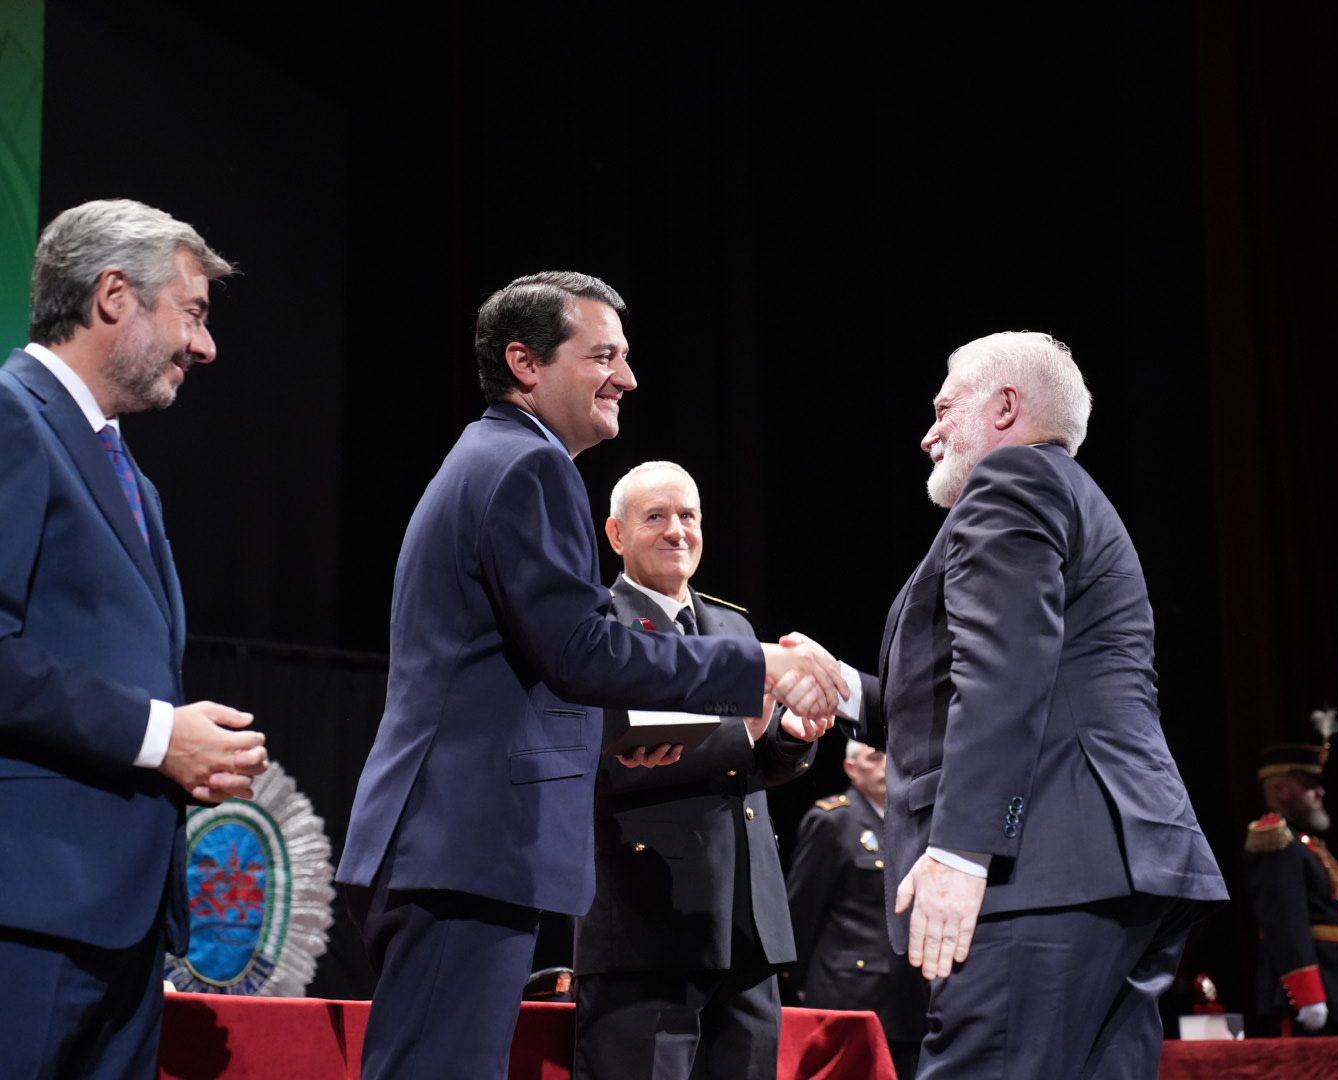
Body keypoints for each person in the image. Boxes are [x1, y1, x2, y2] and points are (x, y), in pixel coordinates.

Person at [336, 272, 845, 1079]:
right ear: (525, 363)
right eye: (603, 355)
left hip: (455, 844)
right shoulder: (527, 468)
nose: (628, 378)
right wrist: (759, 665)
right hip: (460, 844)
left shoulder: (496, 458)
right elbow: (584, 650)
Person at [781, 330, 1227, 1079]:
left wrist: (961, 850)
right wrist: (847, 688)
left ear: (1006, 406)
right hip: (1109, 872)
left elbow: (1004, 676)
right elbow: (996, 685)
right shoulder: (1063, 491)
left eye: (944, 407)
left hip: (1042, 876)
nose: (928, 434)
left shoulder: (1012, 479)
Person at [0, 199, 268, 1077]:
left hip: (119, 918)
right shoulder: (10, 419)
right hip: (29, 910)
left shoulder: (128, 474)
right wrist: (161, 737)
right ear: (114, 294)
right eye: (191, 313)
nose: (205, 346)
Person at [572, 459, 826, 1080]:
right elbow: (611, 758)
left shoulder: (733, 625)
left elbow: (750, 769)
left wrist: (791, 740)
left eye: (688, 516)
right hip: (646, 927)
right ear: (615, 534)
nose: (676, 530)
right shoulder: (598, 629)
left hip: (749, 927)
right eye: (655, 517)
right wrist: (746, 730)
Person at [786, 738, 930, 1080]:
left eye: (889, 759)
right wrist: (796, 980)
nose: (885, 768)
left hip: (908, 995)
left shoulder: (916, 823)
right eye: (875, 758)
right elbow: (802, 910)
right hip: (849, 990)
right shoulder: (834, 821)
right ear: (851, 768)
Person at [1244, 742, 1338, 1036]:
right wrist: (1307, 992)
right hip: (1318, 990)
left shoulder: (1303, 844)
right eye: (1309, 785)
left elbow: (1329, 905)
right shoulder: (1275, 841)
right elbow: (1285, 922)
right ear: (1280, 790)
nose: (1320, 793)